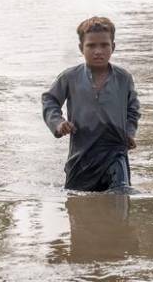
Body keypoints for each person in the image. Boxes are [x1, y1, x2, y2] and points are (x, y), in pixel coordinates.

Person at [42, 17, 141, 192]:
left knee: (121, 192)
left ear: (113, 47)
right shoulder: (69, 77)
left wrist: (129, 132)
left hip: (115, 150)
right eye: (91, 46)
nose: (98, 51)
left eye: (104, 45)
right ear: (81, 48)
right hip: (81, 155)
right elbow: (50, 100)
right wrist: (58, 123)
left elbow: (133, 109)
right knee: (76, 199)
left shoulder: (124, 78)